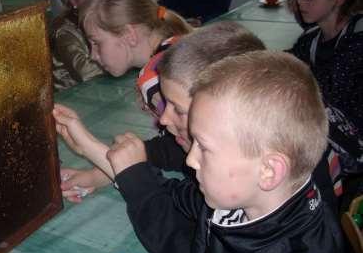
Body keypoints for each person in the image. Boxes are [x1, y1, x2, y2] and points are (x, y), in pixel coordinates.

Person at [106, 51, 347, 253]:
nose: (190, 160)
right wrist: (122, 169)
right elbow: (179, 197)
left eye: (204, 147)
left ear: (268, 171)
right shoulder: (247, 197)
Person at [57, 22, 267, 204]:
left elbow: (170, 221)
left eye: (178, 109)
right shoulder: (214, 151)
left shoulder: (230, 187)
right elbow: (163, 150)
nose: (164, 119)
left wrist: (92, 150)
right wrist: (99, 174)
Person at [289, 0, 363, 195]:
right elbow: (287, 67)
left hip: (353, 147)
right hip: (323, 131)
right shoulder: (310, 38)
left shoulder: (357, 43)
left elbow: (331, 102)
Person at [81, 0, 192, 78]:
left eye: (96, 43)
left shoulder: (163, 78)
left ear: (129, 35)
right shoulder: (176, 49)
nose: (93, 56)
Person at [51, 0, 110, 90]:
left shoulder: (111, 20)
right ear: (74, 2)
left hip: (102, 86)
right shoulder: (64, 31)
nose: (96, 0)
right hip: (72, 95)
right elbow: (85, 72)